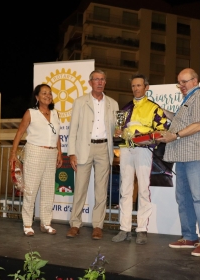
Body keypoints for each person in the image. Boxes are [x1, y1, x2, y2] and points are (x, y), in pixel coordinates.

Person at [157, 68, 200, 257]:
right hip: (182, 156)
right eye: (179, 82)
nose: (181, 86)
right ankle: (189, 236)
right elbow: (180, 121)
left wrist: (175, 135)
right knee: (183, 198)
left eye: (184, 82)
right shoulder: (187, 101)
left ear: (195, 81)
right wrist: (162, 112)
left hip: (196, 155)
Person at [111, 73, 168, 245]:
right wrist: (118, 132)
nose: (136, 88)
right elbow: (118, 130)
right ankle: (124, 228)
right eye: (133, 86)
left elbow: (162, 129)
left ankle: (142, 229)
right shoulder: (125, 108)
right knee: (125, 190)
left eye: (139, 85)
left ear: (146, 87)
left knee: (143, 189)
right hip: (126, 150)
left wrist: (142, 135)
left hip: (143, 150)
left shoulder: (154, 108)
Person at [66, 69, 119, 240]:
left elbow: (116, 130)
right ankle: (75, 224)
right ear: (90, 83)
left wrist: (120, 132)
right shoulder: (80, 102)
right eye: (96, 79)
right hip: (83, 149)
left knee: (101, 191)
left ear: (105, 82)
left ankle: (98, 225)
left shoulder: (113, 103)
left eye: (102, 79)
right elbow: (73, 129)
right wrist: (71, 153)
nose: (100, 82)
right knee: (80, 188)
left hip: (104, 148)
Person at [9, 84, 63, 236]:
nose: (48, 95)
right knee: (30, 189)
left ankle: (46, 223)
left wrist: (60, 153)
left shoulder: (55, 114)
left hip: (51, 153)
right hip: (35, 151)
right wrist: (13, 154)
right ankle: (27, 223)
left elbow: (57, 136)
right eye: (44, 93)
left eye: (50, 93)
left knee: (48, 190)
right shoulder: (31, 113)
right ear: (37, 97)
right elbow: (19, 134)